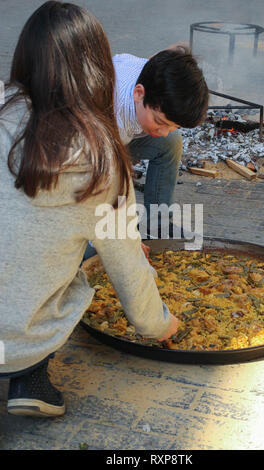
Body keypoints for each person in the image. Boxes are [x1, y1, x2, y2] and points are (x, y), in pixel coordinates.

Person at [0, 1, 178, 418]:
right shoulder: (101, 159)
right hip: (20, 336)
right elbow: (127, 267)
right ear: (101, 69)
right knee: (79, 266)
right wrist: (159, 322)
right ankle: (31, 374)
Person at [83, 43, 208, 260]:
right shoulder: (113, 114)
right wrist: (126, 238)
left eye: (172, 124)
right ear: (139, 93)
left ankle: (158, 226)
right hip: (74, 160)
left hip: (104, 147)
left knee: (169, 143)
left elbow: (172, 53)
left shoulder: (153, 76)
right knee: (96, 251)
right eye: (159, 122)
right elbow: (108, 185)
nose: (162, 131)